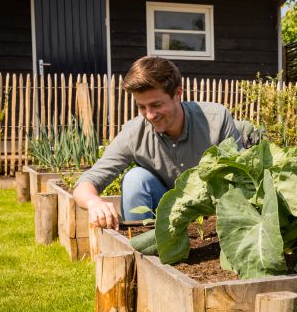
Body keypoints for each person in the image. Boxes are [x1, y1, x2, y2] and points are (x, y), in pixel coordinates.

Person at [74, 56, 241, 230]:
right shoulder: (134, 134)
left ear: (177, 94)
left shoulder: (216, 120)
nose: (150, 115)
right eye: (142, 107)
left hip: (214, 211)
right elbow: (85, 184)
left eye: (156, 105)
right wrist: (94, 202)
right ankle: (143, 250)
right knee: (135, 179)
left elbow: (239, 176)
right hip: (163, 213)